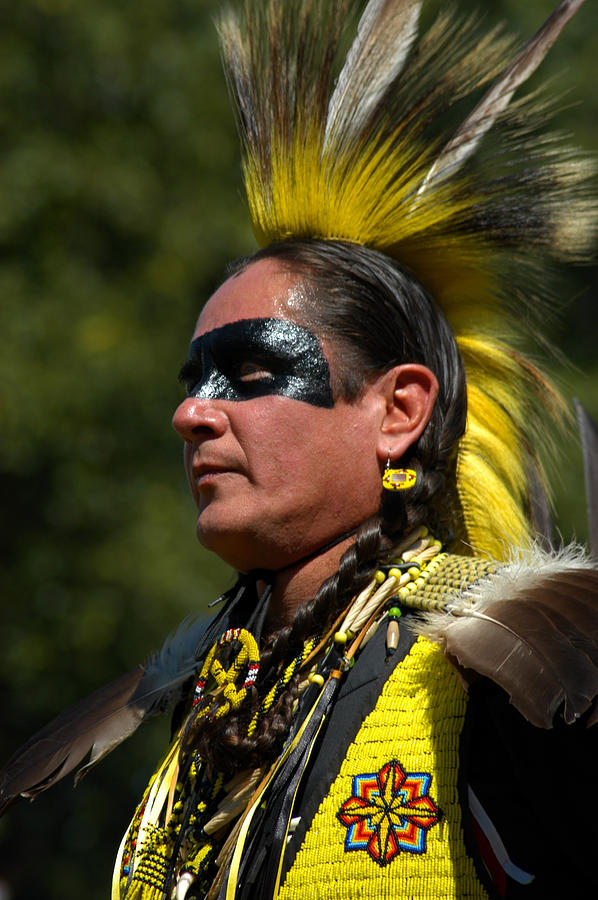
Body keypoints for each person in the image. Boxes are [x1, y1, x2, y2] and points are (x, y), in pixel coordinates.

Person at [2, 0, 598, 898]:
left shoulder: (494, 682)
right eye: (191, 381)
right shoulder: (214, 690)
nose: (192, 416)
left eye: (247, 374)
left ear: (398, 411)